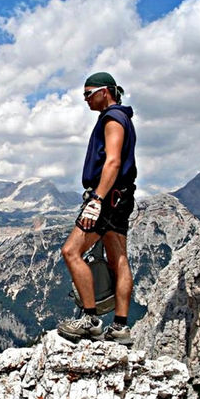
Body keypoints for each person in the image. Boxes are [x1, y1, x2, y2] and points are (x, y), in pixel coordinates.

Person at [57, 72, 137, 346]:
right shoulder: (123, 117)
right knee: (119, 259)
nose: (85, 99)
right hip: (122, 198)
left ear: (106, 92)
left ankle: (89, 320)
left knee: (70, 251)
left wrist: (97, 200)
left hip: (108, 197)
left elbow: (112, 162)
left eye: (88, 93)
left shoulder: (113, 119)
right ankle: (120, 327)